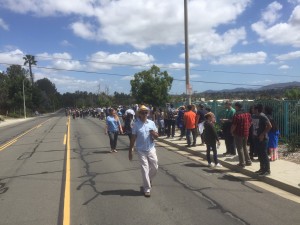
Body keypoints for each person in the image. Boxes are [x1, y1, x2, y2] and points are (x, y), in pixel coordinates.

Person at [129, 105, 159, 198]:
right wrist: (131, 150)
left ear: (148, 113)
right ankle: (147, 188)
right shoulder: (136, 125)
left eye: (146, 112)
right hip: (141, 150)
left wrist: (154, 134)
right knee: (145, 169)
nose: (144, 114)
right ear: (139, 114)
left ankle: (148, 180)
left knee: (155, 167)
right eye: (142, 112)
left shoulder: (151, 123)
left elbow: (157, 136)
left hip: (151, 148)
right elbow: (133, 138)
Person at [252, 104, 272, 176]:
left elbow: (269, 126)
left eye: (253, 108)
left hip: (263, 139)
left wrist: (263, 134)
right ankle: (262, 168)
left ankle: (267, 170)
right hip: (255, 137)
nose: (252, 110)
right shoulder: (254, 116)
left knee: (264, 154)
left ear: (257, 109)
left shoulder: (262, 116)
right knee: (259, 154)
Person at [231, 102, 252, 168]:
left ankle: (242, 163)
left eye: (235, 106)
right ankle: (248, 161)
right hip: (246, 133)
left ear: (237, 107)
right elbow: (251, 122)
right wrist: (247, 128)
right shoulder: (247, 114)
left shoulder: (236, 115)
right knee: (245, 147)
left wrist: (231, 131)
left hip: (238, 133)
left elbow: (234, 125)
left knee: (239, 148)